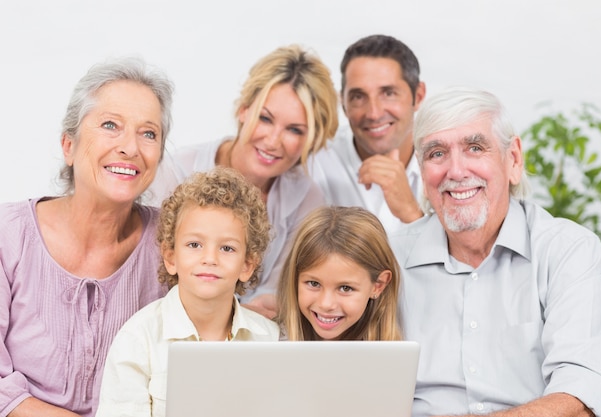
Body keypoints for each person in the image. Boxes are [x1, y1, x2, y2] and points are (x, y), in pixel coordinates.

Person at [390, 86, 601, 416]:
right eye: (436, 154)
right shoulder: (391, 258)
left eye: (475, 148)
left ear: (513, 160)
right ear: (423, 173)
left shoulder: (567, 250)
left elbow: (579, 396)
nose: (455, 171)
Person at [0, 57, 174, 417]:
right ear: (69, 146)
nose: (130, 147)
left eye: (149, 133)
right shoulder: (8, 234)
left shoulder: (171, 245)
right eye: (111, 125)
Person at [146, 44, 338, 319]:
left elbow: (286, 291)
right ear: (244, 110)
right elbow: (154, 277)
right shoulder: (176, 171)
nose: (273, 141)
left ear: (312, 139)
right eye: (265, 118)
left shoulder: (307, 198)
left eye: (294, 130)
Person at [95, 167, 280, 417]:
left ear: (247, 265)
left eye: (227, 248)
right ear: (171, 257)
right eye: (195, 245)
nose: (210, 258)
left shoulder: (269, 339)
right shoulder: (139, 339)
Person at [309, 34, 426, 234]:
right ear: (343, 103)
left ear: (418, 96)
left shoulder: (451, 164)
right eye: (358, 97)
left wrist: (411, 213)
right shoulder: (314, 164)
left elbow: (466, 262)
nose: (374, 113)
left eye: (388, 93)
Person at [277, 205, 401, 341]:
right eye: (314, 283)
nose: (326, 304)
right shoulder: (270, 344)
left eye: (345, 288)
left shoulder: (395, 360)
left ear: (378, 285)